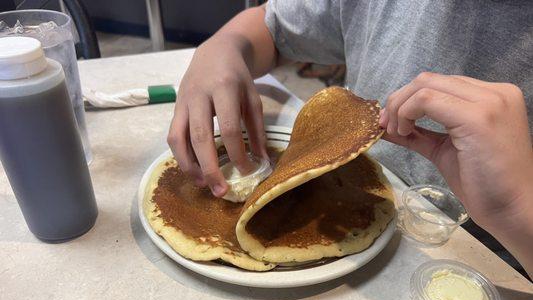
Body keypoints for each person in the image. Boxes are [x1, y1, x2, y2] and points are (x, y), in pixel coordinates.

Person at [167, 2, 533, 276]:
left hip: (484, 277)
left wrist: (516, 210)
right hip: (352, 214)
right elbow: (273, 28)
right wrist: (223, 48)